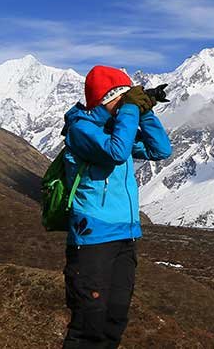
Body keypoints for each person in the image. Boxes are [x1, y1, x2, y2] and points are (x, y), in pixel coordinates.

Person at [61, 65, 172, 348]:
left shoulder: (114, 130)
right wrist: (131, 110)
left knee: (115, 319)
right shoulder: (82, 129)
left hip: (125, 235)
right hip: (94, 237)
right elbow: (116, 152)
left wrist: (144, 112)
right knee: (89, 323)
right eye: (122, 96)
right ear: (106, 97)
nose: (126, 103)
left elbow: (160, 150)